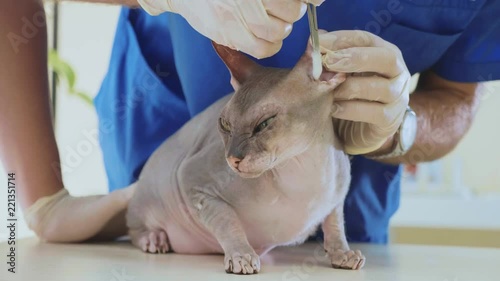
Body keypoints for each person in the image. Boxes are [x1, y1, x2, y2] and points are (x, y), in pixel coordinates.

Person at [1, 0, 498, 244]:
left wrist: (400, 128)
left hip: (341, 209)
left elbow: (456, 94)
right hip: (169, 182)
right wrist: (43, 200)